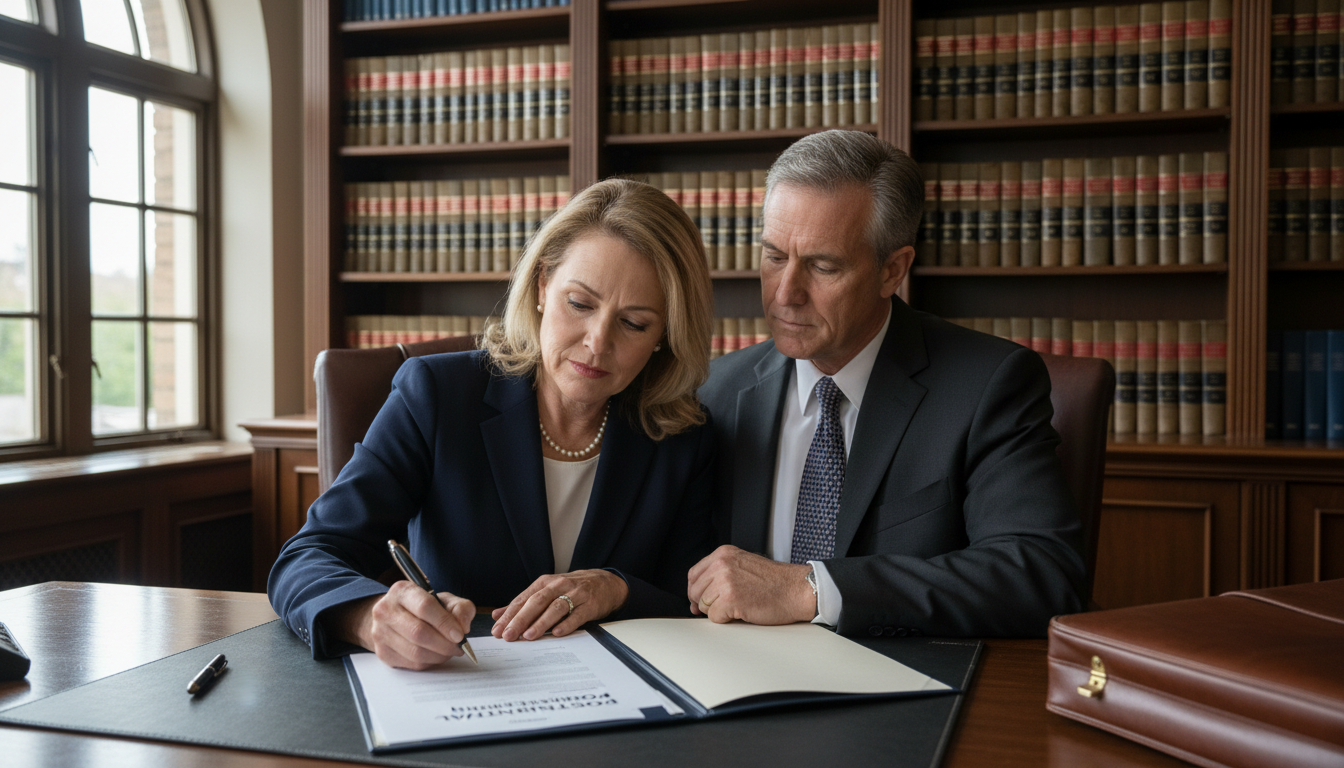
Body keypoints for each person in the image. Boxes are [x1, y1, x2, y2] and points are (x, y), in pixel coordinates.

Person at [269, 178, 717, 668]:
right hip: (462, 686)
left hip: (617, 712)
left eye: (634, 323)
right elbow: (307, 557)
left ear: (663, 336)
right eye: (581, 303)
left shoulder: (683, 437)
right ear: (544, 285)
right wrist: (367, 616)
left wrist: (615, 588)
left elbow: (691, 604)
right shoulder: (437, 395)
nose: (597, 341)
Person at [689, 130, 1086, 638]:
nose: (786, 294)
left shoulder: (988, 386)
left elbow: (1040, 572)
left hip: (905, 688)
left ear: (892, 270)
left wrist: (810, 589)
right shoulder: (716, 391)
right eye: (773, 256)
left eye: (823, 266)